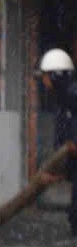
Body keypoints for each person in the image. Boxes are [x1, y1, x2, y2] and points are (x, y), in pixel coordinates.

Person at [40, 47, 77, 236]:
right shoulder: (64, 101)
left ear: (56, 76)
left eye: (46, 76)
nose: (44, 82)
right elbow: (64, 142)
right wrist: (58, 172)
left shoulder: (72, 97)